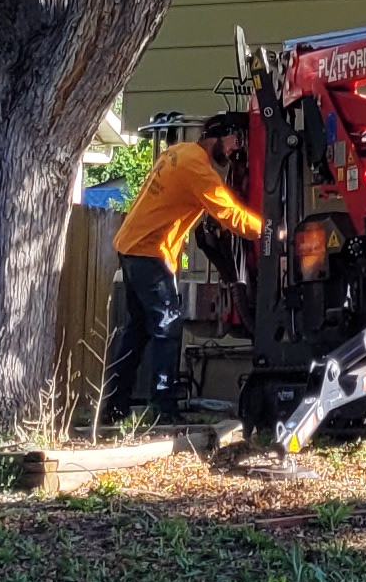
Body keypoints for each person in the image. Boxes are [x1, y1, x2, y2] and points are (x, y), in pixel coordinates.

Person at [101, 110, 260, 432]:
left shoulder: (176, 153)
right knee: (167, 327)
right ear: (217, 135)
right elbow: (228, 213)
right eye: (233, 141)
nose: (234, 150)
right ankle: (165, 408)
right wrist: (270, 231)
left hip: (132, 247)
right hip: (148, 251)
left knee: (138, 332)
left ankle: (114, 405)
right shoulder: (196, 168)